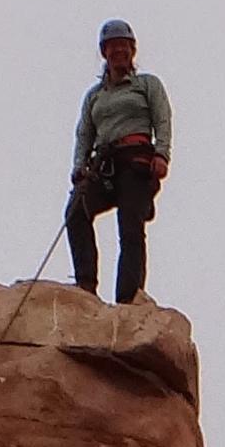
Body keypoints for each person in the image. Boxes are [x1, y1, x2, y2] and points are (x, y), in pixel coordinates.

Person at [68, 20, 172, 300]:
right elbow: (84, 133)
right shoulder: (95, 96)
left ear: (132, 50)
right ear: (104, 52)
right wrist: (79, 167)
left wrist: (161, 154)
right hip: (104, 164)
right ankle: (85, 285)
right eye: (113, 47)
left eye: (124, 46)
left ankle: (128, 296)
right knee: (76, 211)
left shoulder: (147, 85)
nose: (119, 51)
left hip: (135, 160)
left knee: (130, 225)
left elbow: (162, 119)